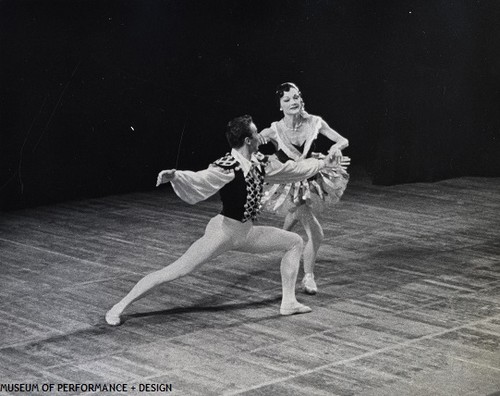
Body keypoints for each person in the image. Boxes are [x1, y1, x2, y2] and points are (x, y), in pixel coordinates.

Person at [105, 115, 349, 326]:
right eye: (256, 134)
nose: (259, 137)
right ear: (247, 140)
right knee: (176, 271)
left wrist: (322, 163)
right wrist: (176, 176)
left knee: (295, 242)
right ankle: (119, 306)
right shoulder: (228, 166)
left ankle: (289, 302)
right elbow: (202, 179)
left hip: (246, 232)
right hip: (223, 233)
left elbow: (291, 170)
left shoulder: (260, 163)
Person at [258, 82, 349, 295]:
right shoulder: (274, 130)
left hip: (311, 179)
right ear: (280, 105)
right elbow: (250, 143)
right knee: (316, 233)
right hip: (288, 186)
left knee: (296, 212)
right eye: (286, 100)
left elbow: (342, 139)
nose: (292, 102)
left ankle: (281, 240)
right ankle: (308, 276)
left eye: (295, 97)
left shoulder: (315, 122)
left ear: (301, 99)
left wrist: (335, 147)